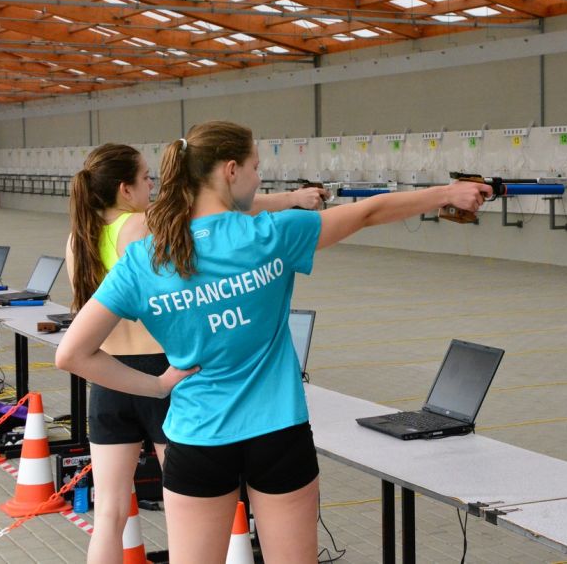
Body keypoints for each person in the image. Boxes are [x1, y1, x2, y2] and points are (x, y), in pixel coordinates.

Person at [56, 121, 490, 564]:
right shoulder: (272, 234)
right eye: (256, 167)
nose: (259, 178)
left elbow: (71, 354)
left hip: (198, 436)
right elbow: (367, 213)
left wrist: (158, 386)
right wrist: (447, 193)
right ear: (230, 170)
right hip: (278, 433)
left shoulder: (144, 260)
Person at [66, 142, 327, 564]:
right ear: (125, 190)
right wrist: (294, 199)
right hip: (161, 376)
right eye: (145, 179)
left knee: (110, 512)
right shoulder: (142, 226)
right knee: (194, 510)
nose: (153, 186)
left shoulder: (78, 238)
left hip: (109, 379)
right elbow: (228, 210)